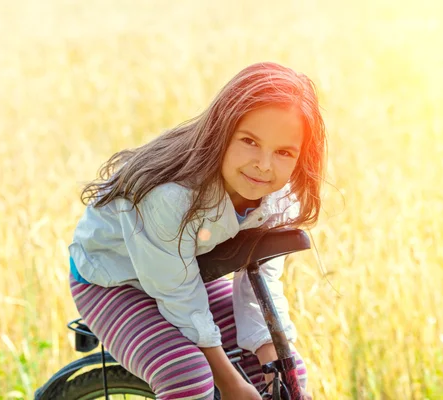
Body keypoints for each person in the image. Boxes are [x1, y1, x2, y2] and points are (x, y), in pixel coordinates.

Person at [68, 61, 326, 400]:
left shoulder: (278, 198)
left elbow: (257, 276)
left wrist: (273, 362)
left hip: (186, 271)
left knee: (287, 371)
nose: (264, 165)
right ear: (222, 130)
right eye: (249, 141)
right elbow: (177, 295)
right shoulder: (170, 196)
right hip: (113, 278)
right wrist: (231, 384)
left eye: (283, 152)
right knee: (186, 376)